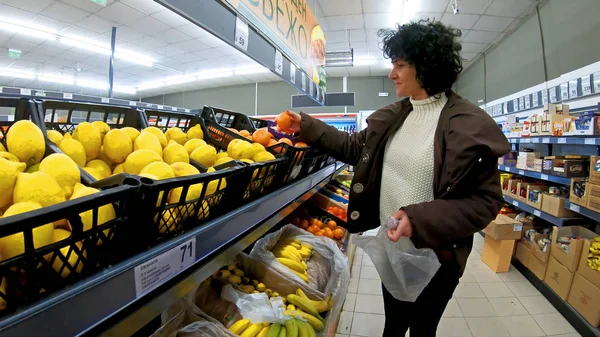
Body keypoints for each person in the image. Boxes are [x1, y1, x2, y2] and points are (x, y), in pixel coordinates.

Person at [283, 20, 511, 336]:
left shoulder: (466, 125)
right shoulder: (395, 115)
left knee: (422, 330)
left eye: (400, 65)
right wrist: (306, 127)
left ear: (426, 67)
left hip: (436, 258)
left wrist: (418, 218)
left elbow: (485, 201)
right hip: (392, 248)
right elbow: (353, 147)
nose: (392, 74)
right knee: (393, 323)